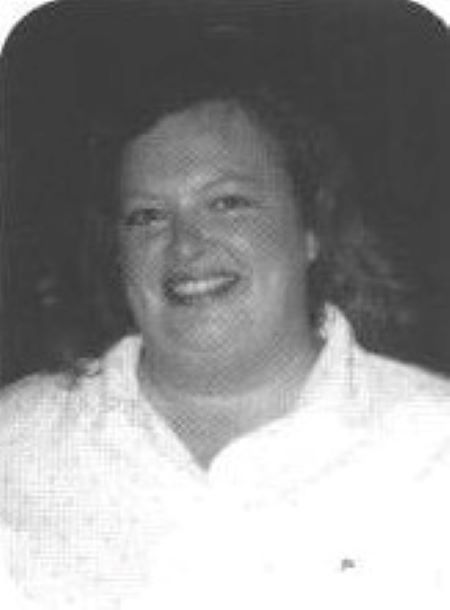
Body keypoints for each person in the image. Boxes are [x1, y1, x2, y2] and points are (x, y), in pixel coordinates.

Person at [1, 75, 450, 610]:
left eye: (228, 203)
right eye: (148, 216)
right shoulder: (19, 444)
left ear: (311, 229)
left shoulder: (432, 448)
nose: (185, 247)